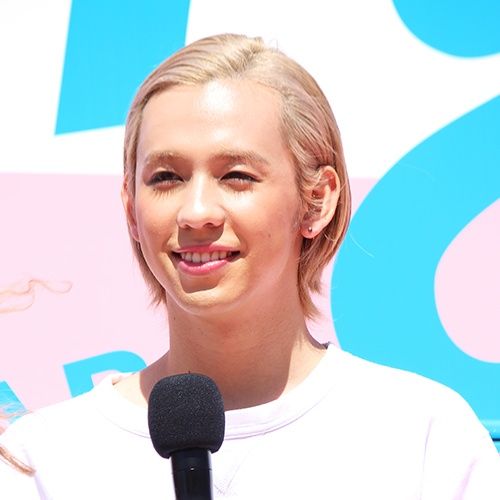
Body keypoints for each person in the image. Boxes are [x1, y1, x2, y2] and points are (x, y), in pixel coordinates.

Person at [1, 33, 499, 499]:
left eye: (236, 176)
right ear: (131, 208)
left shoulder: (425, 437)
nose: (196, 212)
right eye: (166, 177)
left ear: (317, 201)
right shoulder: (43, 460)